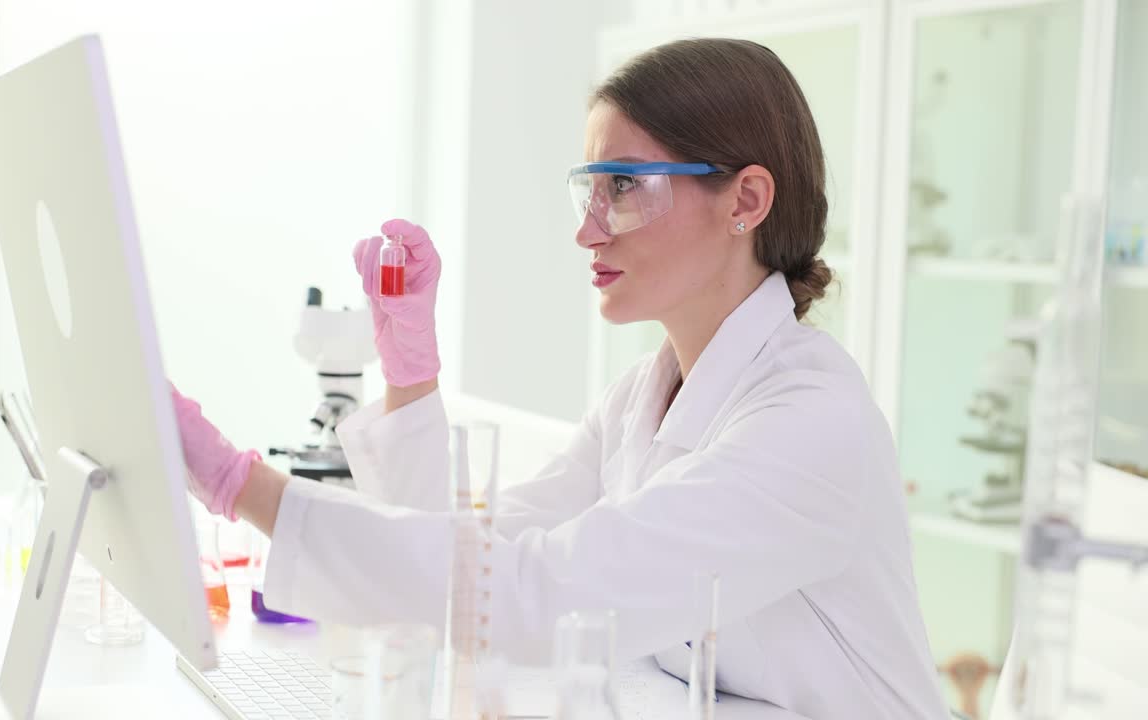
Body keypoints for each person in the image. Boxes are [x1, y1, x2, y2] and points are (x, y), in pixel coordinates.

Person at [172, 38, 948, 719]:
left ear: (745, 200)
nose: (587, 229)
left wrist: (242, 487)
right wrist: (412, 378)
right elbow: (478, 566)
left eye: (624, 187)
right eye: (591, 188)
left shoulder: (811, 421)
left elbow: (542, 594)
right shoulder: (642, 398)